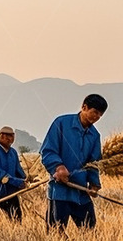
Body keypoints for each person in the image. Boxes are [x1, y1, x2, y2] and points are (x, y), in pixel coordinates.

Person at [40, 94, 108, 230]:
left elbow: (94, 163)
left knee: (89, 228)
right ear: (84, 107)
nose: (97, 117)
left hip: (81, 190)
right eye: (95, 112)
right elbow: (48, 151)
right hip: (59, 189)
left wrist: (94, 184)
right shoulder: (61, 123)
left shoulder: (95, 135)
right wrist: (58, 167)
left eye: (100, 115)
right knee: (56, 230)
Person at [0, 126, 26, 221]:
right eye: (8, 137)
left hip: (11, 193)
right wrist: (18, 182)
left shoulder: (13, 153)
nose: (10, 140)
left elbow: (18, 170)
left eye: (12, 137)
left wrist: (26, 179)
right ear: (1, 137)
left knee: (17, 218)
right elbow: (0, 176)